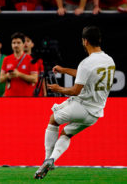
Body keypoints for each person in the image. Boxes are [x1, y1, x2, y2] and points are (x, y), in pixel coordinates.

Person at [34, 26, 115, 179]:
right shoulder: (109, 60)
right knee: (66, 133)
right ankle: (52, 160)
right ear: (99, 40)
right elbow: (86, 74)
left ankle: (46, 158)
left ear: (85, 41)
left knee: (53, 120)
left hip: (82, 106)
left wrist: (59, 88)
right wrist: (65, 70)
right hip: (95, 114)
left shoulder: (87, 62)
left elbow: (75, 91)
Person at [0, 32, 38, 96]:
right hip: (9, 97)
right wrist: (8, 75)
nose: (16, 45)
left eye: (18, 43)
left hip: (25, 98)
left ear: (23, 44)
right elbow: (1, 79)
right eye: (13, 43)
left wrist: (19, 74)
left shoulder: (30, 59)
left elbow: (35, 79)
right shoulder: (6, 59)